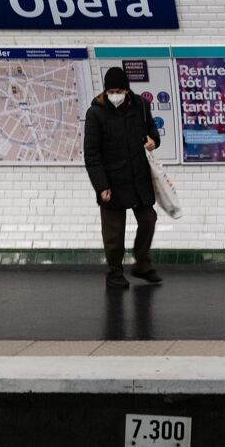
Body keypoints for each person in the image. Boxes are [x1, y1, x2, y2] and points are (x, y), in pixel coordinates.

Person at [84, 66, 163, 288]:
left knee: (148, 219)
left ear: (127, 90)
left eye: (119, 90)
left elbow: (153, 134)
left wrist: (153, 142)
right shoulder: (96, 113)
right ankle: (114, 273)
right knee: (114, 234)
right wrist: (101, 186)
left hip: (138, 177)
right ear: (105, 91)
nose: (115, 95)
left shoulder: (142, 107)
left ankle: (142, 264)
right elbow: (92, 155)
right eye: (111, 91)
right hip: (112, 181)